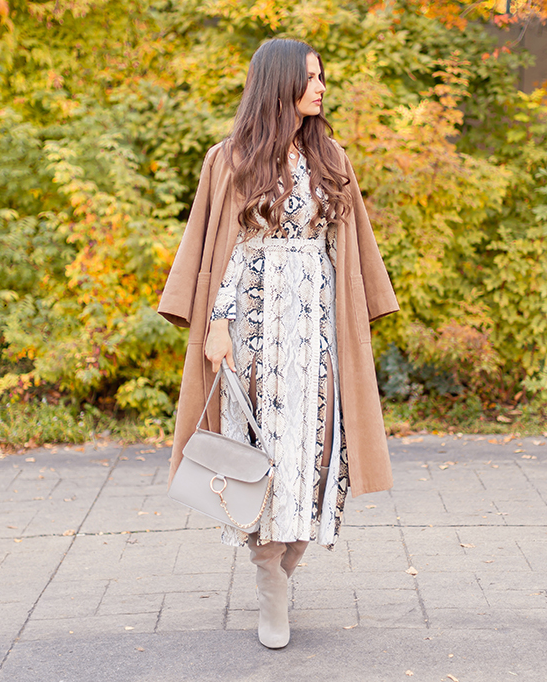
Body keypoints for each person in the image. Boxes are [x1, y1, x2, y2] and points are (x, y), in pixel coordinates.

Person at [158, 38, 398, 649]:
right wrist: (215, 325)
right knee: (259, 459)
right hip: (255, 330)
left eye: (322, 77)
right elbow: (226, 250)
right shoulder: (231, 157)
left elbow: (348, 253)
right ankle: (271, 583)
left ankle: (278, 570)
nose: (321, 87)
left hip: (317, 329)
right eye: (310, 78)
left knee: (312, 459)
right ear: (278, 83)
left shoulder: (330, 157)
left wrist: (351, 323)